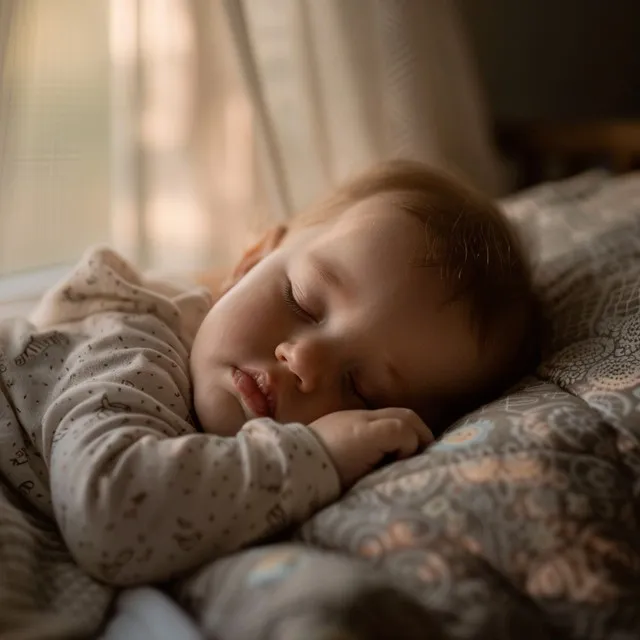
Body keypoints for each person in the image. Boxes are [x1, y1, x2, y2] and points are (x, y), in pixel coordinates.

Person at [0, 160, 538, 589]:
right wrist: (317, 455)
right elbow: (110, 513)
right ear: (251, 259)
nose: (305, 361)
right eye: (301, 301)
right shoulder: (131, 343)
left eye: (361, 388)